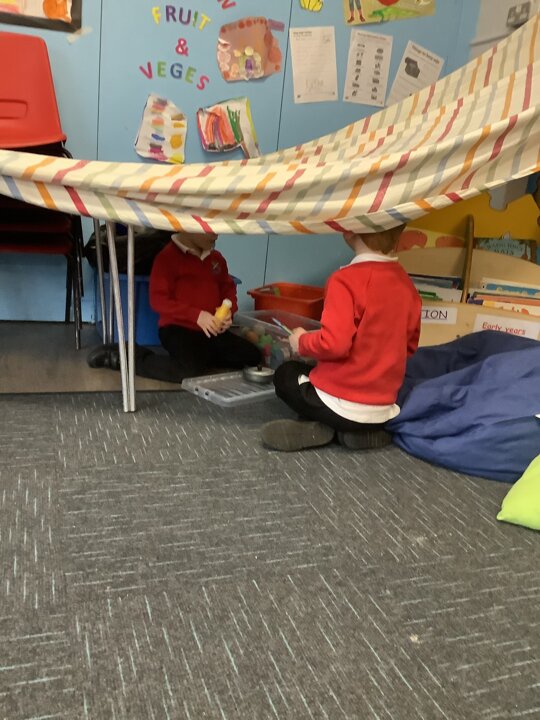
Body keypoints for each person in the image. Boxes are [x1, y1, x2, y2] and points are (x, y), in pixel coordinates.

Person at [261, 225, 421, 452]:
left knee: (285, 374)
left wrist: (302, 341)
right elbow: (409, 347)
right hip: (382, 410)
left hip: (340, 406)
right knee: (315, 372)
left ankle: (323, 427)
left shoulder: (344, 280)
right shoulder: (407, 285)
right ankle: (360, 433)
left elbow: (334, 344)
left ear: (349, 230)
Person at [149, 231, 261, 378]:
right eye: (209, 230)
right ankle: (136, 358)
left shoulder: (216, 258)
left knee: (253, 356)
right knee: (189, 370)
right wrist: (197, 316)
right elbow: (158, 300)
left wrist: (229, 311)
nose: (216, 234)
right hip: (178, 329)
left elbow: (228, 289)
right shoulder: (167, 258)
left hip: (212, 330)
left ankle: (203, 358)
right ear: (188, 228)